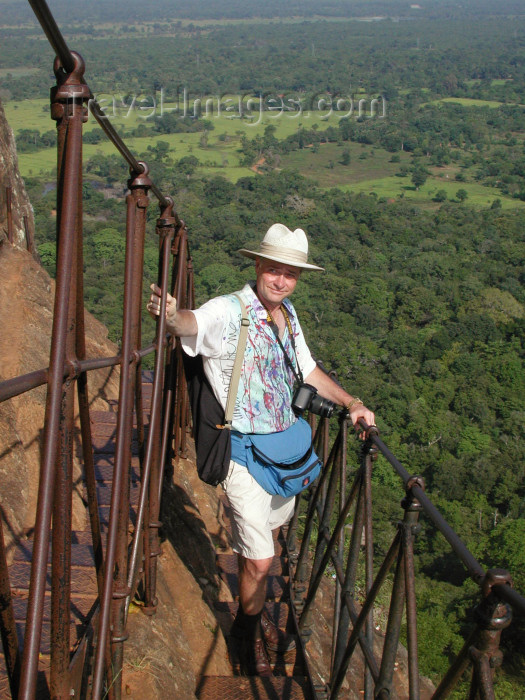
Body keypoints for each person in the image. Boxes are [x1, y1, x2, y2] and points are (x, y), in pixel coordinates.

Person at [147, 223, 375, 676]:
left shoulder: (288, 315)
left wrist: (352, 402)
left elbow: (307, 370)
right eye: (274, 270)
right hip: (244, 454)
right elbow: (196, 323)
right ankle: (244, 633)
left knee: (269, 540)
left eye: (290, 274)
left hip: (285, 453)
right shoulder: (230, 310)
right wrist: (173, 317)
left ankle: (252, 612)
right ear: (257, 265)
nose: (281, 280)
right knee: (262, 558)